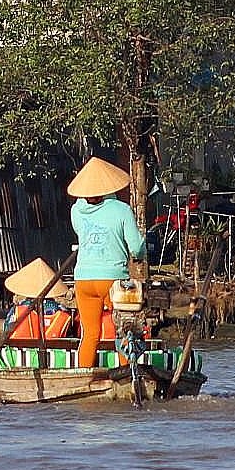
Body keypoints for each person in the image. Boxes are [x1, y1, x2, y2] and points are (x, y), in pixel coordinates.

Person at [66, 157, 144, 371]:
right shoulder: (122, 210)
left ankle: (82, 376)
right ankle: (127, 373)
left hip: (83, 280)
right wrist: (141, 253)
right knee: (123, 329)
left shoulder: (76, 210)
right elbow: (136, 247)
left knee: (90, 333)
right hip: (112, 280)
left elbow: (79, 230)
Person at [1, 257, 65, 341]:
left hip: (22, 349)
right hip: (56, 350)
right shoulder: (61, 309)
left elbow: (6, 329)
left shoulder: (19, 309)